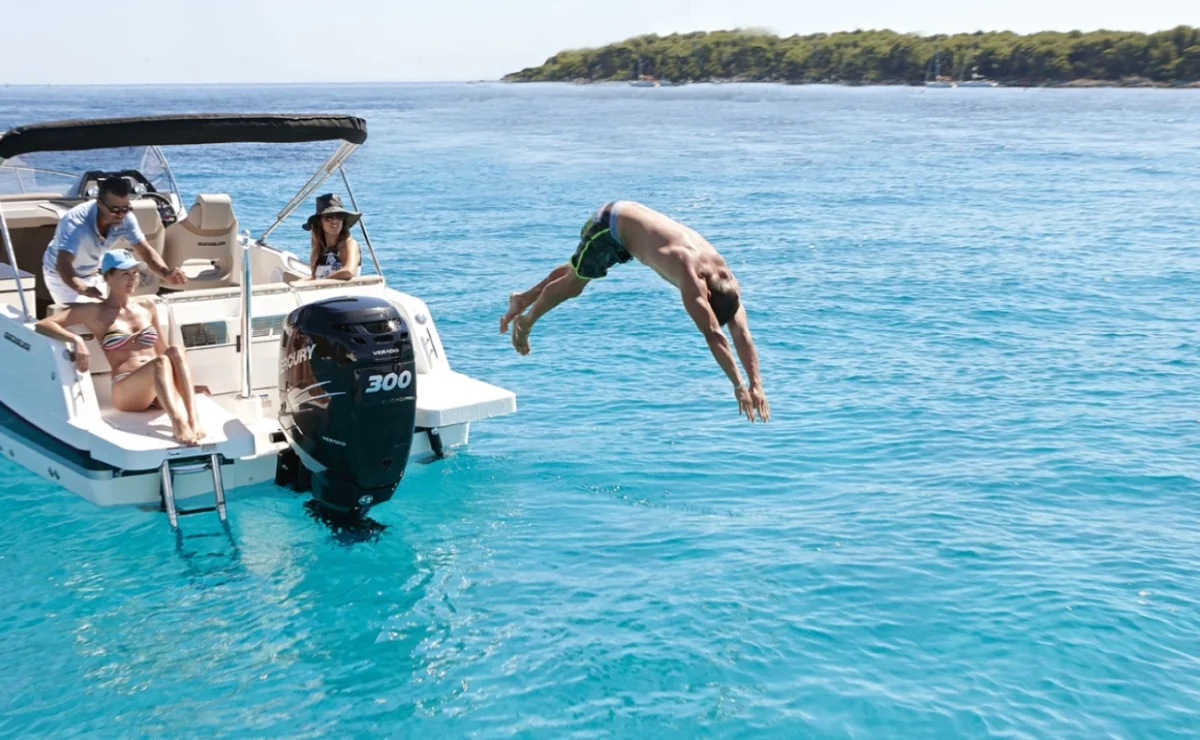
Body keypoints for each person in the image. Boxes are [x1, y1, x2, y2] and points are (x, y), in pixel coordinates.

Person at [500, 200, 770, 422]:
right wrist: (738, 385)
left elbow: (741, 332)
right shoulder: (691, 275)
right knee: (574, 284)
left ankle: (521, 299)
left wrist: (756, 384)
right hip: (609, 225)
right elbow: (713, 334)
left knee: (580, 268)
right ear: (706, 295)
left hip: (630, 230)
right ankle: (526, 322)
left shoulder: (727, 282)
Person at [35, 249, 205, 445]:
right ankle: (178, 422)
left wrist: (186, 385)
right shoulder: (94, 311)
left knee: (174, 351)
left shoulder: (146, 306)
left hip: (160, 390)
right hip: (128, 392)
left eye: (135, 273)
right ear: (108, 277)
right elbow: (44, 324)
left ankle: (194, 420)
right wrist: (77, 340)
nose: (132, 279)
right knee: (160, 362)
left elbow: (162, 348)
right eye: (125, 273)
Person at [41, 176, 186, 305]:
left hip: (92, 272)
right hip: (62, 276)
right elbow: (63, 264)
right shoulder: (76, 222)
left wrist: (165, 273)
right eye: (115, 209)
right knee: (78, 322)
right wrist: (82, 288)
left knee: (105, 315)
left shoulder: (126, 218)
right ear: (99, 203)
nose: (121, 214)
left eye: (126, 208)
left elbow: (144, 250)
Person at [303, 193, 362, 280]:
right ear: (320, 222)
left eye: (339, 216)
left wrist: (322, 282)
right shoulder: (319, 250)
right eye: (328, 217)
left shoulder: (350, 244)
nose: (335, 221)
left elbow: (348, 272)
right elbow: (314, 278)